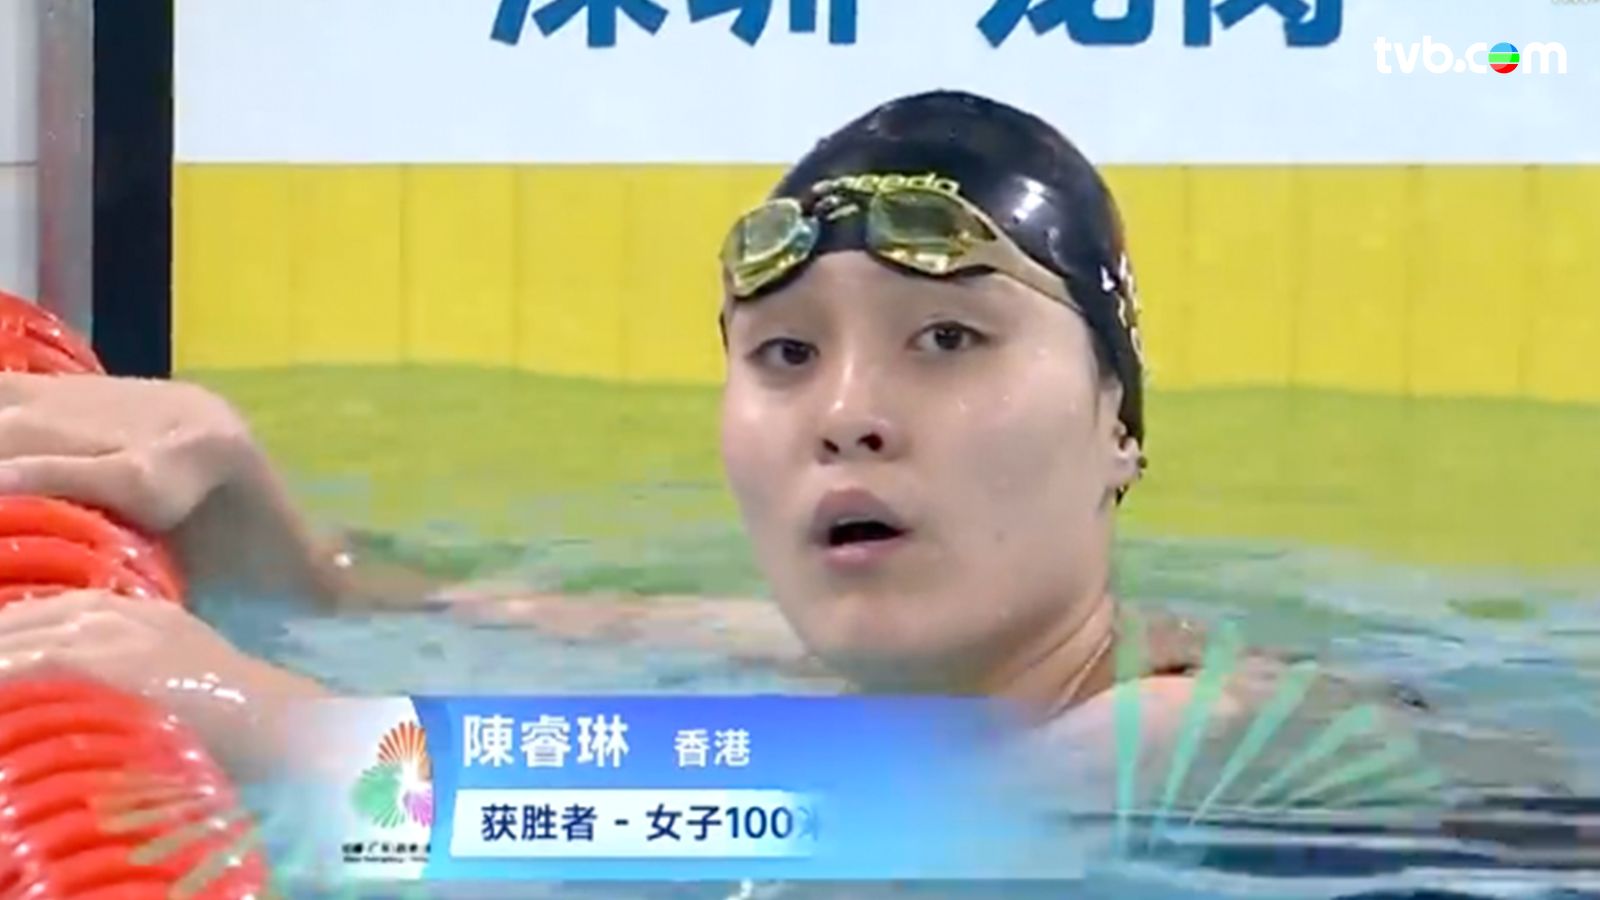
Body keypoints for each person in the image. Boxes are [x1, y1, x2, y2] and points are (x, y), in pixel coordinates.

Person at [0, 92, 1556, 805]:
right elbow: (420, 606)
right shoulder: (798, 660)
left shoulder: (1191, 733)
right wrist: (240, 494)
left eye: (949, 339)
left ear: (1118, 433)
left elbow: (741, 813)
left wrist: (260, 716)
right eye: (785, 355)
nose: (845, 412)